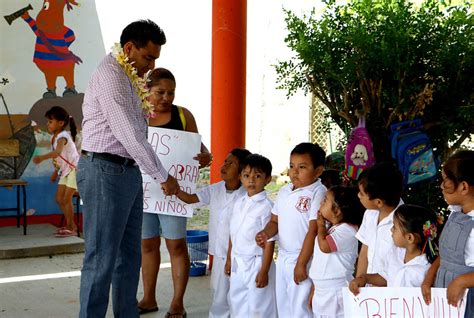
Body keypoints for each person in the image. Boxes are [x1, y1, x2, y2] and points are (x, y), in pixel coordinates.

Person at [77, 20, 180, 318]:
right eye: (148, 58)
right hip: (104, 171)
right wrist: (163, 177)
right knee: (101, 259)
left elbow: (137, 130)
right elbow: (129, 133)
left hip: (127, 172)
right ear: (129, 48)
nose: (150, 66)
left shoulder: (129, 74)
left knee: (129, 256)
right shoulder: (112, 76)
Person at [138, 67, 212, 317]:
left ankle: (177, 303)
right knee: (146, 245)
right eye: (160, 92)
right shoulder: (137, 115)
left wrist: (205, 156)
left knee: (176, 246)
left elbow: (197, 147)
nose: (166, 98)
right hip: (145, 193)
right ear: (146, 90)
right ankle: (148, 298)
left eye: (171, 93)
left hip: (176, 194)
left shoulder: (183, 116)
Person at [177, 148, 251, 318]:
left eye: (231, 163)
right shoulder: (215, 189)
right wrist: (174, 189)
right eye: (225, 161)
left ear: (242, 171)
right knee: (219, 293)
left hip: (242, 254)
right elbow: (191, 198)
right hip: (219, 253)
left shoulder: (247, 195)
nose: (224, 166)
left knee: (240, 293)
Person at [256, 142, 327, 317]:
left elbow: (313, 231)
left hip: (304, 258)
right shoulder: (284, 191)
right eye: (292, 166)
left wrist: (301, 264)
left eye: (302, 167)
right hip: (284, 257)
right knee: (284, 305)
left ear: (318, 171)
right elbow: (274, 221)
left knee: (301, 308)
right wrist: (266, 233)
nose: (294, 172)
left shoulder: (318, 192)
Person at [421, 150, 474, 317]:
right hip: (445, 296)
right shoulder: (455, 213)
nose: (442, 187)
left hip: (469, 300)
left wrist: (462, 281)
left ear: (463, 187)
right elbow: (446, 255)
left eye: (446, 181)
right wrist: (430, 275)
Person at [225, 154, 277, 317]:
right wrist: (228, 258)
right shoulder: (239, 202)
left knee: (258, 306)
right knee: (236, 301)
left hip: (257, 263)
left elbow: (269, 241)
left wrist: (264, 271)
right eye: (247, 176)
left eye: (258, 176)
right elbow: (233, 234)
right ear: (240, 177)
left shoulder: (267, 207)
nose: (251, 181)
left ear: (267, 179)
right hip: (237, 261)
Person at [350, 204, 438, 295]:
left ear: (410, 238)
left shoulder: (426, 268)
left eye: (394, 227)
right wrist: (365, 278)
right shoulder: (395, 253)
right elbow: (386, 277)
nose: (391, 230)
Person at [306, 186, 365, 318]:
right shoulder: (332, 228)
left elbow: (325, 247)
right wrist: (314, 290)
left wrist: (320, 226)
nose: (321, 202)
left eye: (325, 200)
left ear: (337, 211)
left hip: (336, 290)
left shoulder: (347, 230)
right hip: (322, 290)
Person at [32, 106, 79, 237]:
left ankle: (71, 227)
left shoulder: (63, 136)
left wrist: (41, 157)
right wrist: (55, 172)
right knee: (59, 199)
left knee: (66, 198)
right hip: (66, 171)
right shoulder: (54, 137)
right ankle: (72, 225)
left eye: (50, 121)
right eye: (48, 121)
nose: (48, 124)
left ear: (61, 123)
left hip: (74, 170)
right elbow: (60, 158)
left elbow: (57, 152)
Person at [354, 162, 403, 280]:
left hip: (390, 293)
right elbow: (365, 251)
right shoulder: (370, 213)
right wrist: (360, 280)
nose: (358, 196)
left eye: (362, 193)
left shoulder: (403, 223)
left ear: (379, 202)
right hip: (368, 290)